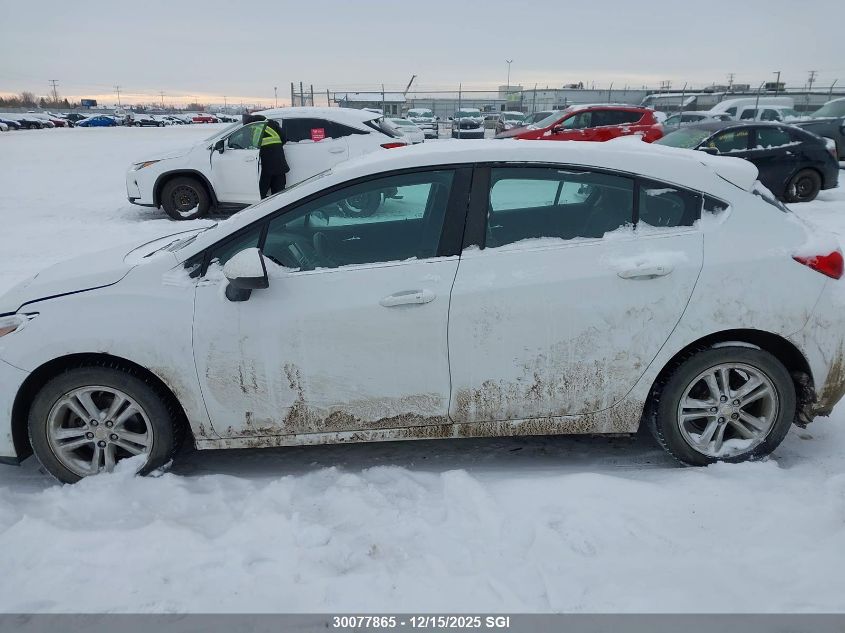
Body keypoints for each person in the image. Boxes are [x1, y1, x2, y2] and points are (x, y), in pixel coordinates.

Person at [243, 114, 289, 198]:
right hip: (279, 164)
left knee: (260, 195)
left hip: (264, 167)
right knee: (279, 194)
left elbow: (245, 143)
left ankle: (264, 210)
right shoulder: (272, 124)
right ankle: (279, 210)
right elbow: (284, 138)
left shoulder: (252, 128)